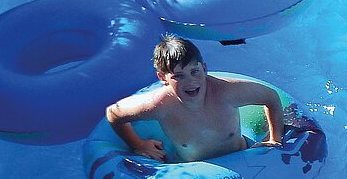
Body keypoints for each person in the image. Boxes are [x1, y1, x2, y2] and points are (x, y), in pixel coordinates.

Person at [105, 34, 284, 163]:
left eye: (194, 71)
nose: (190, 82)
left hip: (243, 159)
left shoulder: (228, 92)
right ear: (163, 78)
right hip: (193, 172)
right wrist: (138, 144)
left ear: (204, 69)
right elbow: (113, 113)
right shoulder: (159, 105)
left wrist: (274, 139)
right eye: (178, 76)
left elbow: (271, 97)